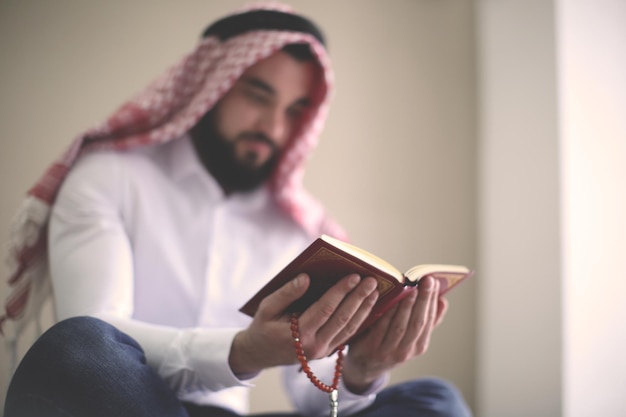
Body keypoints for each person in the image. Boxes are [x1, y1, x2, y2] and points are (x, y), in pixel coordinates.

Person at [2, 4, 472, 417]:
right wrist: (242, 352)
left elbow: (314, 397)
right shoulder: (109, 178)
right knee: (76, 347)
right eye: (258, 95)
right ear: (213, 85)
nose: (272, 126)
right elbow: (94, 339)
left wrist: (361, 371)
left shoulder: (303, 228)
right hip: (129, 405)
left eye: (295, 110)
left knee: (435, 402)